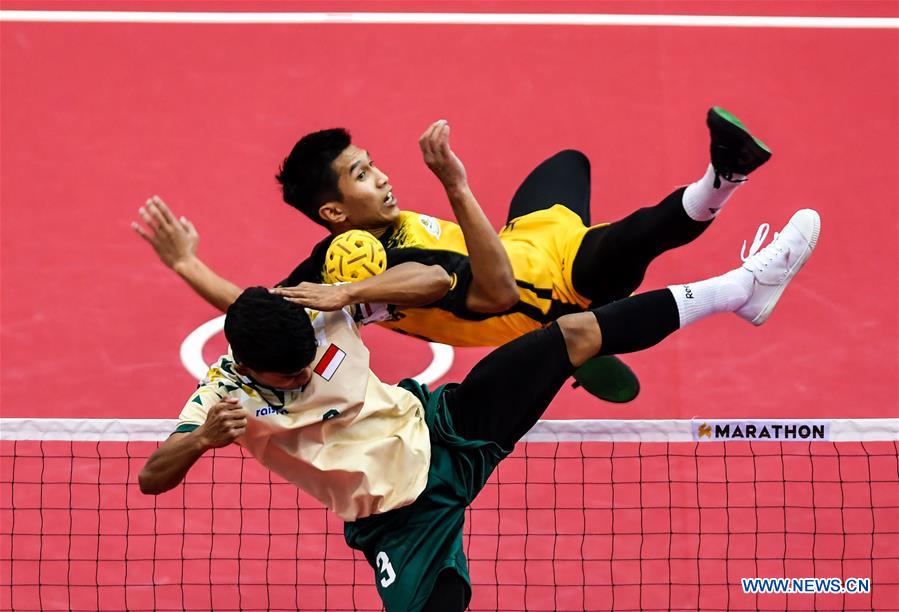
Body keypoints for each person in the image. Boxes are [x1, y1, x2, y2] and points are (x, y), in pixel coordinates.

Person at [138, 206, 819, 611]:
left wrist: (351, 295)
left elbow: (435, 278)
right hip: (398, 522)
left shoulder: (314, 313)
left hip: (443, 427)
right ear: (247, 365)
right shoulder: (222, 396)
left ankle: (740, 287)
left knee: (570, 334)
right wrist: (199, 443)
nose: (296, 376)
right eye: (283, 375)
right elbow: (152, 477)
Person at [133, 108, 770, 398]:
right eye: (361, 175)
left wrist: (187, 261)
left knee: (567, 165)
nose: (380, 176)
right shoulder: (392, 267)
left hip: (523, 242)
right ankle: (725, 176)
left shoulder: (335, 257)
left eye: (371, 163)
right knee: (637, 236)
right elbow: (488, 292)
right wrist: (455, 184)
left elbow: (254, 306)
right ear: (333, 213)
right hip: (545, 291)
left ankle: (582, 355)